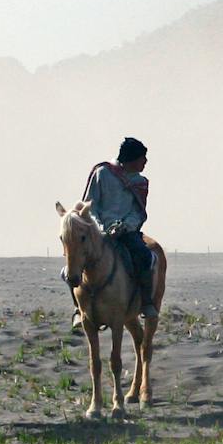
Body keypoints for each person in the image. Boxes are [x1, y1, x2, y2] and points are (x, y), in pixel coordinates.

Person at [74, 137, 156, 326]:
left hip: (127, 232)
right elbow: (88, 205)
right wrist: (101, 228)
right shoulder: (102, 173)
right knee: (74, 263)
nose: (145, 162)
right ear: (132, 158)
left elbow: (139, 212)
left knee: (144, 257)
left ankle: (146, 302)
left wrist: (125, 225)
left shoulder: (141, 182)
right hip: (98, 231)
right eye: (142, 158)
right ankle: (78, 309)